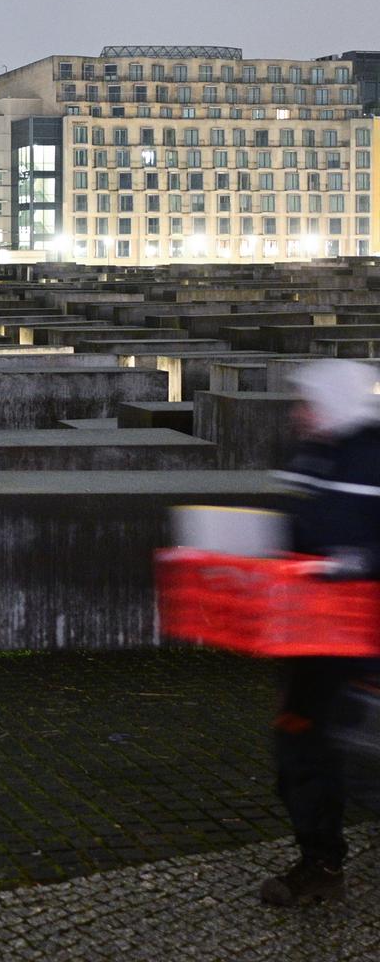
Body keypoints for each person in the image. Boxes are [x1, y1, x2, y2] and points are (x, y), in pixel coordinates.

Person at [259, 358, 380, 907]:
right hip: (316, 635)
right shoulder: (314, 452)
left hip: (365, 635)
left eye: (308, 402)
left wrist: (356, 562)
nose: (298, 413)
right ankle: (320, 864)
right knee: (302, 746)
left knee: (326, 750)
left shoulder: (371, 453)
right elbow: (296, 528)